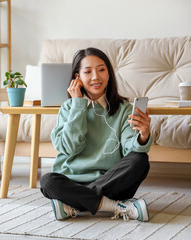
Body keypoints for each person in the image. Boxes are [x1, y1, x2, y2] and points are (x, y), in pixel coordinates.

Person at [40, 47, 153, 222]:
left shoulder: (123, 109)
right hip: (72, 180)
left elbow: (130, 147)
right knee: (47, 181)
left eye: (101, 70)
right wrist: (78, 105)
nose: (95, 77)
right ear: (77, 78)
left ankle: (74, 203)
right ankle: (114, 206)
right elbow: (70, 148)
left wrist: (143, 135)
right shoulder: (68, 108)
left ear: (109, 74)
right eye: (87, 71)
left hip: (110, 181)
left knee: (140, 160)